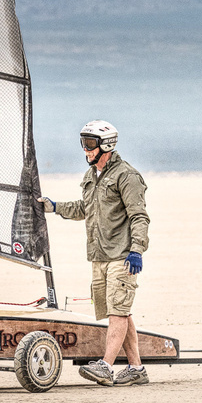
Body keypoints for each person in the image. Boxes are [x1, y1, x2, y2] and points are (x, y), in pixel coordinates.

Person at [37, 120, 150, 386]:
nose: (85, 150)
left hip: (122, 257)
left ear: (106, 145)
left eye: (90, 144)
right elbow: (83, 208)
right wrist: (54, 207)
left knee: (118, 312)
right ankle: (136, 369)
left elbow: (139, 217)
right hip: (99, 256)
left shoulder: (127, 176)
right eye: (83, 143)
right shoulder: (91, 177)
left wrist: (136, 250)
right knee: (120, 310)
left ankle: (106, 366)